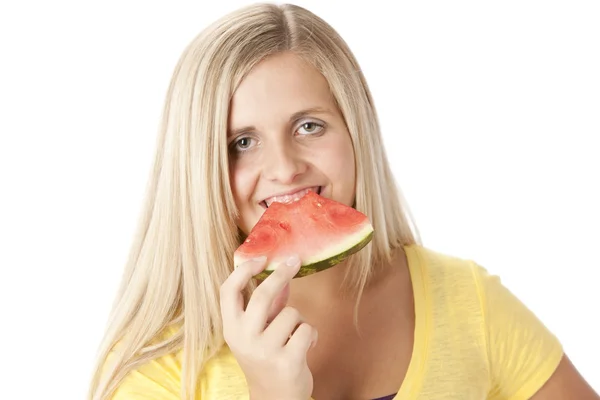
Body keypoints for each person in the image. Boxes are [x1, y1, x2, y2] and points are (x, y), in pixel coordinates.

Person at [88, 3, 599, 400]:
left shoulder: (467, 301)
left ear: (358, 132)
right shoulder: (158, 367)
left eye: (309, 126)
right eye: (242, 142)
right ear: (197, 170)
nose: (285, 167)